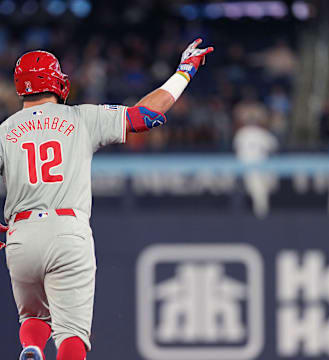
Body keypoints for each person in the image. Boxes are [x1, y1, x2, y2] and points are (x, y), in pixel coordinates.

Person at [1, 38, 213, 360]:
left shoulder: (4, 131)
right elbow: (145, 115)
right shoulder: (80, 117)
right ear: (58, 82)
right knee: (72, 334)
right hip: (67, 230)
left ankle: (31, 347)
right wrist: (184, 71)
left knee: (32, 316)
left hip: (21, 234)